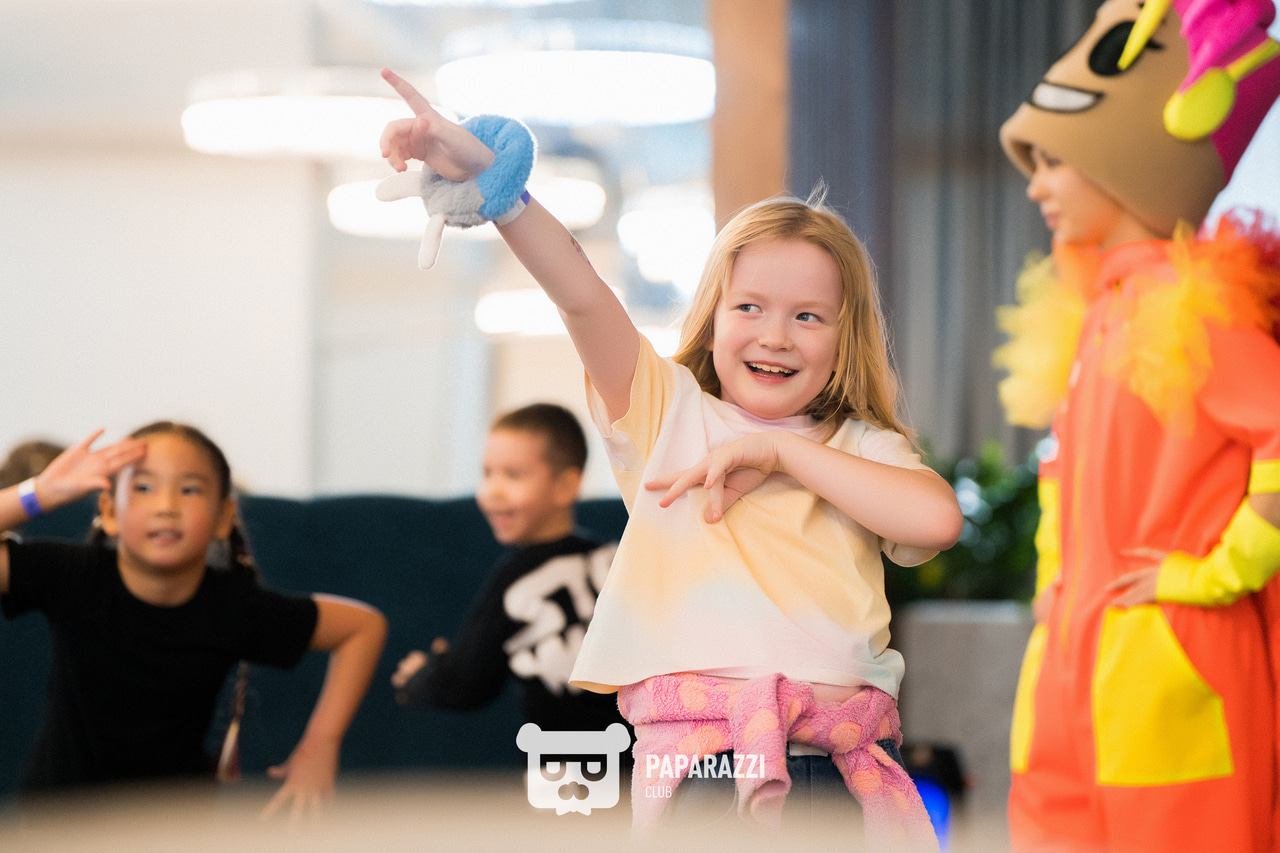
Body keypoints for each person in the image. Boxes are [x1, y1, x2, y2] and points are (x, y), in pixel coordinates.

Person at [377, 69, 963, 849]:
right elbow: (582, 296)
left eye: (808, 316)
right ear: (713, 318)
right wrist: (499, 187)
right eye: (749, 307)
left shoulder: (861, 445)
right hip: (705, 764)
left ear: (842, 336)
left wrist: (783, 451)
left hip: (841, 763)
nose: (775, 335)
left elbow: (936, 519)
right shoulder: (667, 411)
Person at [992, 1, 1280, 850]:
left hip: (1168, 654)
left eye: (1053, 160)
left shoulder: (1196, 308)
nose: (1035, 185)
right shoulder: (1097, 314)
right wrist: (1054, 588)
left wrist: (1219, 572)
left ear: (1119, 160)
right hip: (1077, 653)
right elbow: (1063, 474)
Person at [0, 422, 388, 823]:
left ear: (223, 517)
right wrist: (39, 493)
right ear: (110, 511)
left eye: (189, 490)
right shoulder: (73, 576)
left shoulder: (233, 608)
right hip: (60, 822)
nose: (166, 505)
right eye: (144, 487)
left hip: (174, 826)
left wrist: (321, 745)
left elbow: (362, 628)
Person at [390, 402, 625, 735]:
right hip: (643, 751)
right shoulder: (616, 556)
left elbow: (467, 686)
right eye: (487, 473)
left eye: (513, 475)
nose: (493, 491)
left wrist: (420, 679)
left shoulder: (517, 576)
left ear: (565, 487)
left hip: (561, 760)